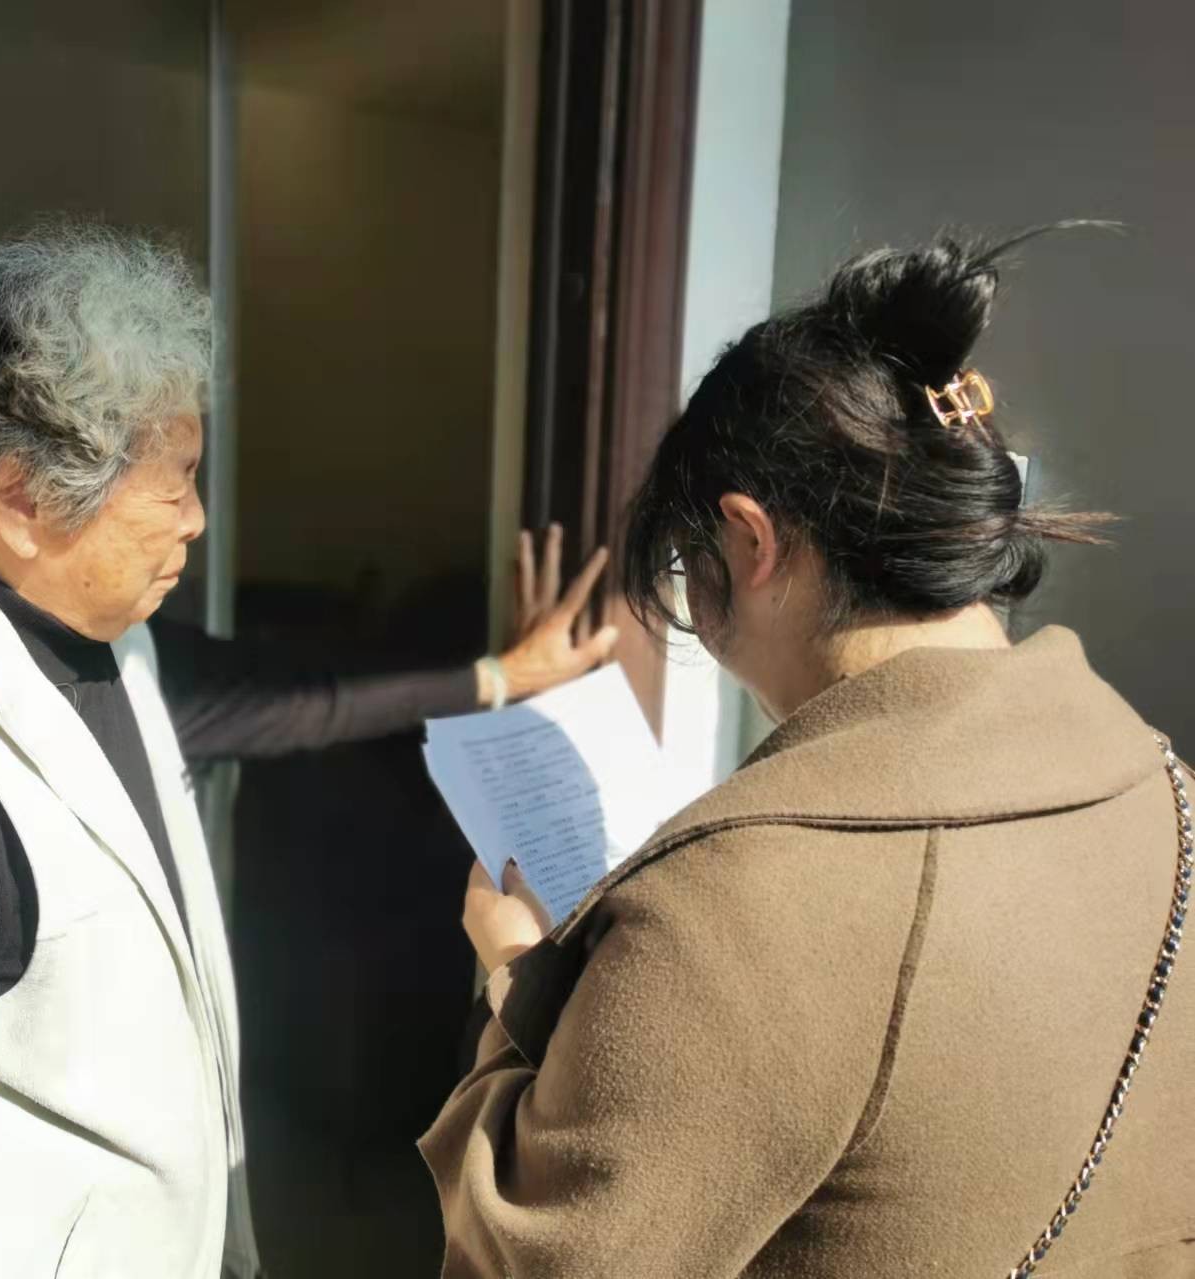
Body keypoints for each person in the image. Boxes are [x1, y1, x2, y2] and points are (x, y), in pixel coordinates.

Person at [0, 222, 616, 1279]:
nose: (196, 521)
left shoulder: (108, 648)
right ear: (20, 498)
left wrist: (503, 675)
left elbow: (300, 699)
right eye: (175, 482)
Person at [425, 230, 1195, 1277]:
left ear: (749, 540)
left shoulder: (730, 910)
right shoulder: (1166, 796)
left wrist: (514, 978)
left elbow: (534, 1259)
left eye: (687, 562)